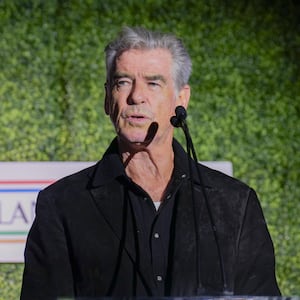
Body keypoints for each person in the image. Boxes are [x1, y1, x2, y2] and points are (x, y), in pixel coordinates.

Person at [21, 26, 281, 299]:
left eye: (153, 83)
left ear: (181, 99)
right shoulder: (62, 205)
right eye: (123, 82)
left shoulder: (234, 204)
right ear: (108, 99)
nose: (136, 96)